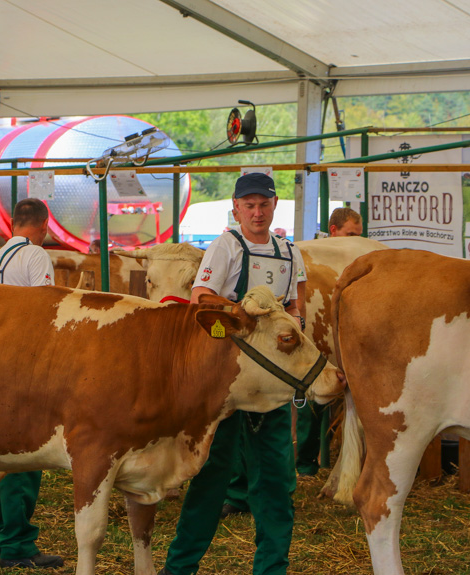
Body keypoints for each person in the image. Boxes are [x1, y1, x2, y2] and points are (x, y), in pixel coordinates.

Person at [160, 172, 306, 575]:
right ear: (236, 207)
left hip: (271, 384)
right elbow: (200, 298)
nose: (257, 212)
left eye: (263, 204)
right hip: (226, 383)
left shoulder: (291, 253)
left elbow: (295, 306)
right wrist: (242, 311)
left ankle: (272, 567)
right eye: (249, 205)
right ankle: (179, 568)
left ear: (274, 205)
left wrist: (292, 324)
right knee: (210, 478)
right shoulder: (228, 245)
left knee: (275, 482)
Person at [0, 198, 62, 569]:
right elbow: (43, 312)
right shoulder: (36, 257)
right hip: (23, 366)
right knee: (23, 456)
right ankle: (17, 544)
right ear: (44, 225)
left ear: (13, 223)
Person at [295, 207, 363, 477]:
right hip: (316, 343)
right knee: (311, 404)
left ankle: (320, 462)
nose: (355, 240)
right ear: (333, 231)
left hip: (343, 343)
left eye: (359, 235)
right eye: (350, 234)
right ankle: (306, 465)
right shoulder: (314, 260)